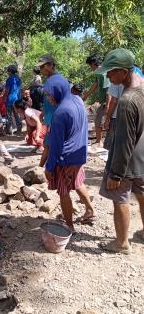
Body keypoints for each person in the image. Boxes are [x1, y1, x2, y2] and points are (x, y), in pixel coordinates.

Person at [97, 48, 144, 254]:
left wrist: (116, 173)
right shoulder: (142, 89)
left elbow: (124, 141)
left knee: (120, 198)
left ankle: (121, 243)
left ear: (124, 72)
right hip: (142, 157)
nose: (108, 76)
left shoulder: (126, 101)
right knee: (142, 194)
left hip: (127, 160)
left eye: (111, 72)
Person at [44, 74, 96, 232]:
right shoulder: (78, 100)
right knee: (78, 182)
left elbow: (56, 145)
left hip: (65, 158)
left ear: (58, 91)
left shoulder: (60, 112)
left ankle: (69, 226)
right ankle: (90, 210)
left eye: (49, 94)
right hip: (79, 153)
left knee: (63, 191)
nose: (48, 98)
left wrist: (49, 167)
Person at [83, 54, 110, 146]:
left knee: (99, 120)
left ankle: (99, 142)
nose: (90, 68)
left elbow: (108, 90)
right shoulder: (99, 73)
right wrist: (86, 95)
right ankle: (99, 141)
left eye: (90, 66)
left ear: (94, 64)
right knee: (99, 120)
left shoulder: (103, 73)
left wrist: (107, 105)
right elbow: (95, 84)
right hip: (103, 100)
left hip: (108, 100)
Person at [35, 54, 58, 167]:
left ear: (50, 66)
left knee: (48, 146)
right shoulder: (49, 81)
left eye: (42, 67)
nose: (41, 70)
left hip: (55, 119)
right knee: (47, 145)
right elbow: (48, 100)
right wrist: (44, 112)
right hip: (49, 117)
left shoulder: (56, 81)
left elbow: (58, 102)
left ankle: (41, 168)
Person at [4, 65, 22, 135]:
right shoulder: (19, 79)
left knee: (8, 115)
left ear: (10, 71)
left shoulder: (9, 79)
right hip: (17, 99)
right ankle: (19, 130)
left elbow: (7, 90)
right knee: (17, 115)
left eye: (8, 71)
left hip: (10, 99)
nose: (7, 72)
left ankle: (9, 130)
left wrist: (4, 97)